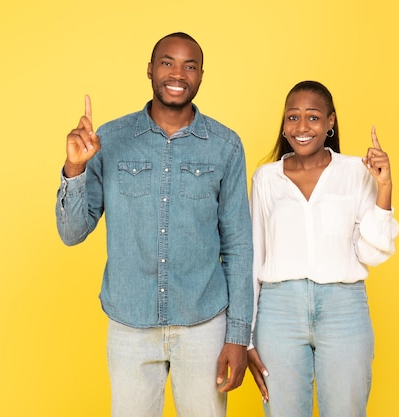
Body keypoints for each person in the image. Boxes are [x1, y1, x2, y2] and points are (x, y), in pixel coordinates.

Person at [55, 32, 253, 417]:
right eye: (167, 62)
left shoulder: (225, 145)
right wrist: (75, 166)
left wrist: (238, 336)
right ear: (149, 70)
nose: (177, 73)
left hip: (203, 323)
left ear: (200, 76)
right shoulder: (108, 140)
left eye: (189, 65)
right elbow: (71, 233)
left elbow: (239, 244)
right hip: (130, 324)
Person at [247, 80, 399, 417]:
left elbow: (373, 253)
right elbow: (253, 257)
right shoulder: (266, 179)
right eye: (293, 117)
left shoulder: (356, 173)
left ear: (331, 122)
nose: (302, 127)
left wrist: (383, 186)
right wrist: (247, 337)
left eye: (313, 118)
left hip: (343, 308)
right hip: (279, 311)